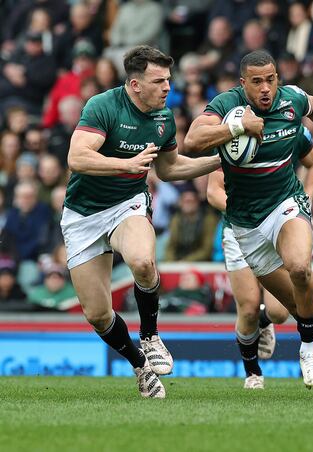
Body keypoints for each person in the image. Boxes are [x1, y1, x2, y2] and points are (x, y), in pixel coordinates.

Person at [183, 50, 313, 389]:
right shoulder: (227, 106)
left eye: (271, 80)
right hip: (244, 222)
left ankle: (308, 349)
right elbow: (192, 142)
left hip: (285, 203)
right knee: (283, 307)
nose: (265, 88)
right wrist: (237, 126)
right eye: (256, 82)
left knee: (300, 267)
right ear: (243, 84)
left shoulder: (291, 100)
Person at [62, 45, 221, 399]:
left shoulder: (164, 118)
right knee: (98, 315)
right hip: (83, 215)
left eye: (168, 79)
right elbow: (77, 157)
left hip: (127, 205)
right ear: (135, 84)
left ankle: (150, 337)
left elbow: (169, 169)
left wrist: (218, 161)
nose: (167, 87)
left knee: (144, 261)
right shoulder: (103, 105)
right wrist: (124, 165)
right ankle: (140, 367)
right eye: (158, 80)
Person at [204, 124, 313, 389]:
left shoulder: (289, 128)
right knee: (247, 308)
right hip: (238, 230)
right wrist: (246, 210)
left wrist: (304, 203)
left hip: (277, 228)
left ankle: (265, 321)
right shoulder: (232, 136)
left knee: (279, 312)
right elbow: (213, 191)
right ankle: (253, 372)